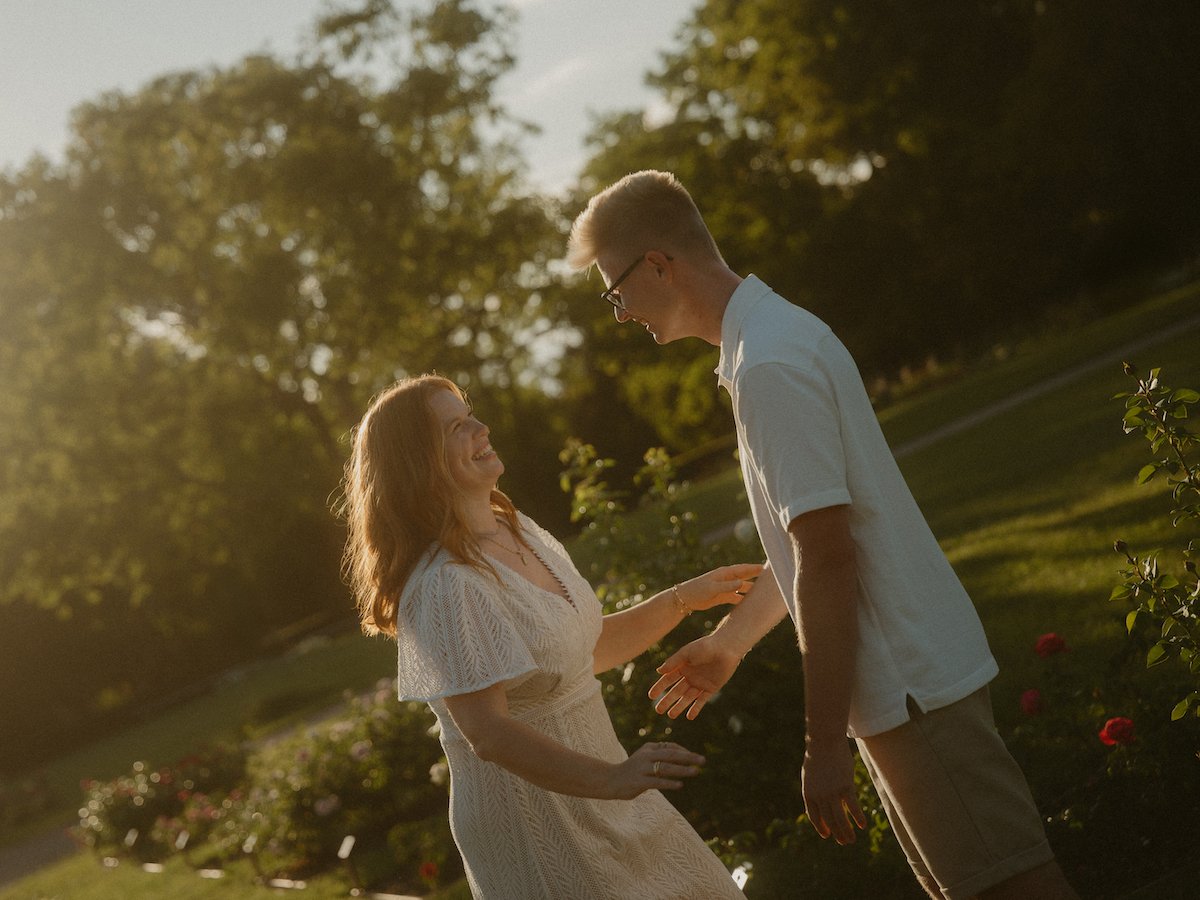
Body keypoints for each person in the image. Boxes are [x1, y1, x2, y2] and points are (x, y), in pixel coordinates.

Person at [566, 170, 1079, 900]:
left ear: (657, 264)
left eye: (614, 292)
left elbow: (829, 557)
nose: (619, 315)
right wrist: (729, 643)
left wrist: (822, 742)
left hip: (909, 691)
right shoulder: (769, 339)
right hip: (907, 692)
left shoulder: (768, 365)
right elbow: (813, 543)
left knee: (1014, 888)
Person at [339, 373, 757, 900]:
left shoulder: (516, 529)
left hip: (612, 789)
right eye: (457, 427)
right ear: (419, 463)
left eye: (472, 415)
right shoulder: (445, 585)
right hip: (540, 820)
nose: (481, 428)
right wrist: (612, 780)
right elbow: (487, 732)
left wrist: (680, 599)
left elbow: (582, 650)